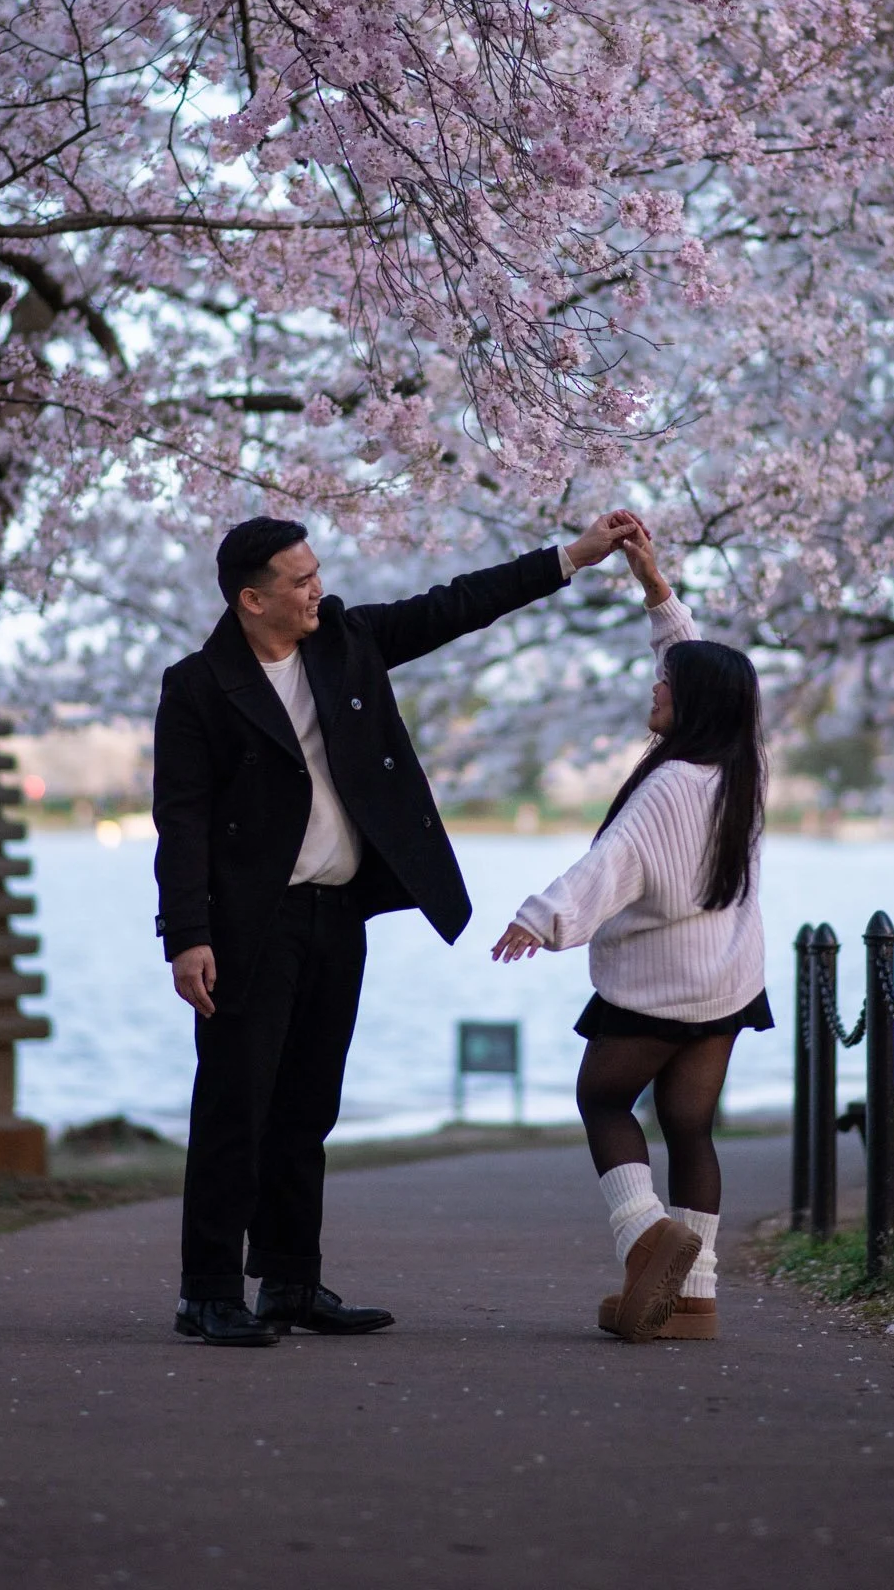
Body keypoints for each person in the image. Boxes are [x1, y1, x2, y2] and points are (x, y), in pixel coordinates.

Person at [154, 508, 646, 1346]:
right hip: (248, 928)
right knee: (236, 1105)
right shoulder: (199, 686)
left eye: (316, 572)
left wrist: (571, 558)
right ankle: (207, 1290)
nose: (318, 589)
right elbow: (183, 818)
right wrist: (187, 936)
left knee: (308, 1107)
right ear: (250, 599)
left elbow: (453, 606)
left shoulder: (342, 643)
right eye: (299, 581)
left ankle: (289, 1283)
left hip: (337, 914)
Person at [493, 529, 771, 1343]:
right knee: (689, 1128)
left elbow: (608, 867)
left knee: (603, 1098)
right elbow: (696, 659)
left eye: (665, 685)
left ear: (693, 706)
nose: (654, 688)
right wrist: (655, 587)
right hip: (725, 982)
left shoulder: (668, 788)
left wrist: (538, 919)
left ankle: (646, 1237)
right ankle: (695, 1301)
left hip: (655, 986)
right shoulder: (743, 768)